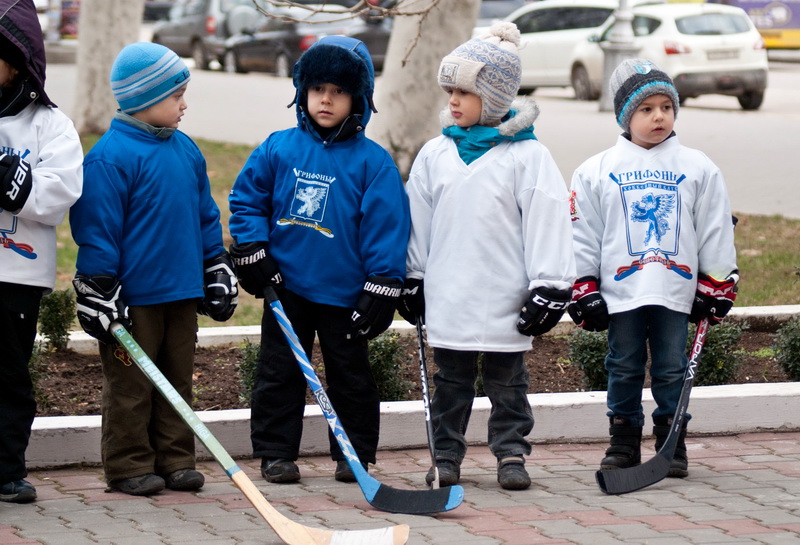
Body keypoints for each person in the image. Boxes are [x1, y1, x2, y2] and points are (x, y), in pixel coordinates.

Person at [398, 22, 577, 491]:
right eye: (449, 90)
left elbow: (548, 219)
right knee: (450, 382)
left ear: (494, 98)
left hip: (504, 293)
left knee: (507, 383)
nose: (452, 100)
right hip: (450, 290)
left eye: (463, 91)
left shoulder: (526, 157)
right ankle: (447, 455)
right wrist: (412, 275)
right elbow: (418, 218)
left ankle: (512, 453)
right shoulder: (436, 155)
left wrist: (550, 285)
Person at [228, 36, 410, 484]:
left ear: (360, 98)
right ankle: (275, 452)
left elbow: (387, 227)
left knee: (350, 376)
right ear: (302, 91)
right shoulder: (278, 148)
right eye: (317, 89)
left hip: (344, 294)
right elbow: (247, 200)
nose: (326, 100)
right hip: (286, 286)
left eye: (339, 91)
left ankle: (354, 454)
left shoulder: (374, 163)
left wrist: (383, 283)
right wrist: (252, 248)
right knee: (279, 371)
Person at [69, 42, 237, 496]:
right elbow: (97, 229)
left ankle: (177, 459)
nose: (185, 105)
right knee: (131, 385)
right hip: (133, 301)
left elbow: (205, 216)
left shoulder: (186, 151)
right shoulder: (110, 158)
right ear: (144, 99)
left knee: (176, 380)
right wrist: (98, 285)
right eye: (176, 95)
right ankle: (128, 465)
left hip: (181, 292)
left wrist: (215, 265)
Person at [568, 58, 738, 478]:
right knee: (622, 364)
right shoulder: (596, 170)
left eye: (666, 106)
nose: (659, 115)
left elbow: (715, 229)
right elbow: (582, 233)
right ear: (626, 116)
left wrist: (716, 284)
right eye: (646, 109)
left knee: (671, 367)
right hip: (621, 292)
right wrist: (583, 284)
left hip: (675, 291)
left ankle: (671, 442)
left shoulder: (698, 166)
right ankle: (623, 441)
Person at [0, 0, 83, 504]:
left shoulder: (48, 124)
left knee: (9, 372)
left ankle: (7, 467)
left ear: (19, 60)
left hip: (18, 272)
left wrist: (16, 182)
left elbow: (61, 190)